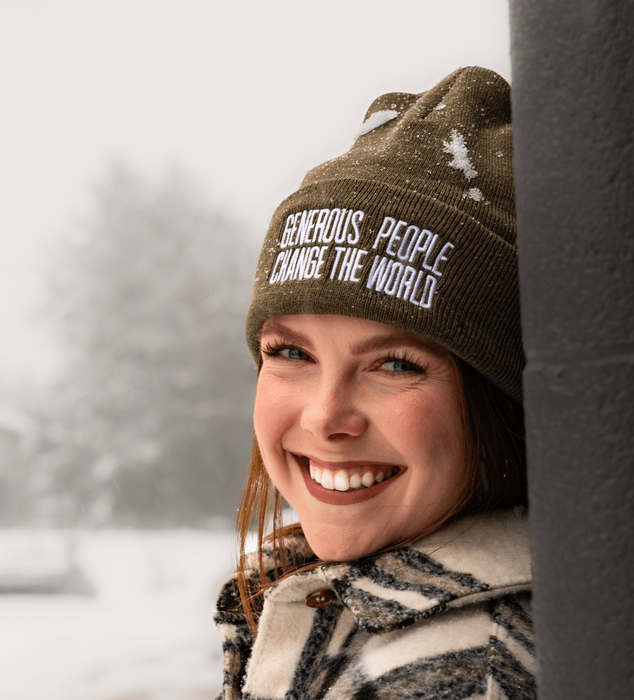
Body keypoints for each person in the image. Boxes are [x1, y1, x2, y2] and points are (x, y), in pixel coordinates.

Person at [214, 66, 535, 700]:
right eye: (291, 353)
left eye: (395, 364)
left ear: (498, 397)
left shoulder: (460, 672)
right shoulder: (338, 609)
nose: (324, 416)